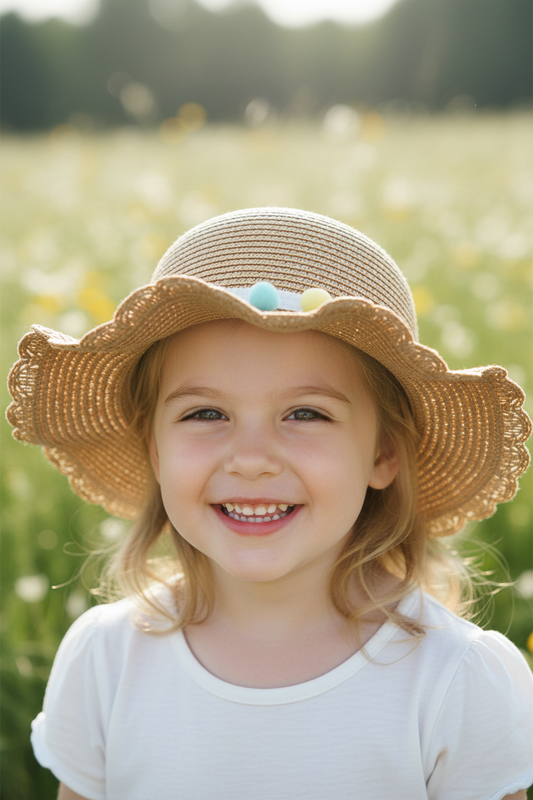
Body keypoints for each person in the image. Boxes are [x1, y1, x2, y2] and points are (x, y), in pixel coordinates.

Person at [7, 207, 533, 800]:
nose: (251, 458)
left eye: (306, 413)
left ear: (385, 452)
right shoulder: (104, 660)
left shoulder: (455, 680)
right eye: (205, 413)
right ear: (153, 448)